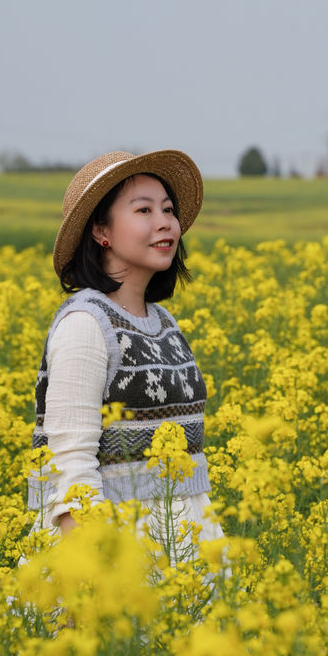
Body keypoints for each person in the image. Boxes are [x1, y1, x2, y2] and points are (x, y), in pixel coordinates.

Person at [27, 148, 223, 560]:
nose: (165, 222)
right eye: (144, 210)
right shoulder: (85, 324)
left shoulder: (164, 323)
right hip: (119, 554)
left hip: (182, 545)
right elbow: (70, 470)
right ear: (102, 231)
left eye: (168, 210)